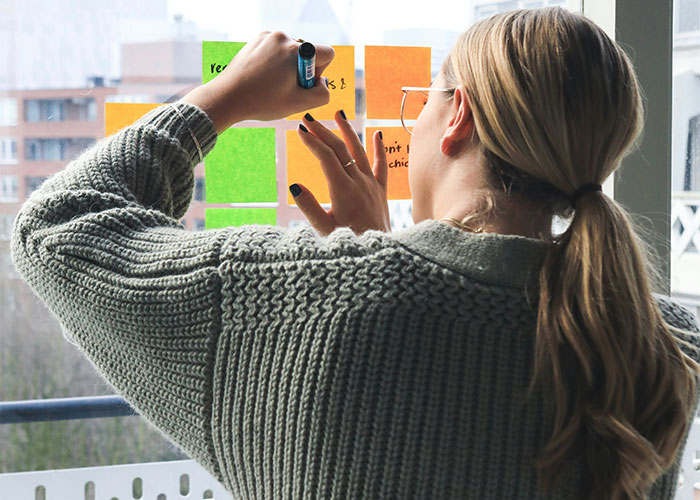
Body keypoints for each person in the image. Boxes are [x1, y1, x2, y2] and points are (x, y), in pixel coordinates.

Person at [11, 7, 700, 500]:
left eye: (429, 97)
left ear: (456, 115)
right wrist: (383, 254)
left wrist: (228, 96)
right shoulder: (657, 347)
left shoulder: (311, 306)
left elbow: (57, 227)